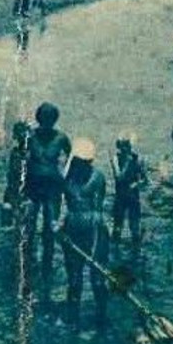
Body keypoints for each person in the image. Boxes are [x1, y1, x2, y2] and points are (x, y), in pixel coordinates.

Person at [60, 138, 110, 323]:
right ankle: (73, 319)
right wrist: (60, 227)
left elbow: (97, 214)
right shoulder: (68, 176)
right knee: (74, 280)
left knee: (97, 280)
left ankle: (101, 319)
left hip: (94, 230)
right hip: (72, 229)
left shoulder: (97, 177)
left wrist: (96, 247)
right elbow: (62, 204)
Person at [23, 102, 72, 280]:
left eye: (49, 120)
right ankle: (34, 264)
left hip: (49, 187)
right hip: (36, 185)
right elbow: (20, 156)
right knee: (32, 224)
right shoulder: (31, 136)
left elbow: (68, 156)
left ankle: (44, 265)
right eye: (45, 120)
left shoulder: (60, 138)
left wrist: (60, 170)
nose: (47, 123)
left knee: (48, 226)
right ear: (39, 119)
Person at [111, 132, 148, 246]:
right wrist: (127, 163)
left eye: (127, 146)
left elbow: (145, 180)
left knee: (134, 227)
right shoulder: (115, 159)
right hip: (120, 196)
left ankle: (136, 249)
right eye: (123, 146)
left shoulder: (138, 159)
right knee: (117, 226)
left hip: (133, 196)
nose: (126, 149)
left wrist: (137, 184)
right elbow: (118, 177)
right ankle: (114, 251)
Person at [2, 120, 30, 226]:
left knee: (11, 217)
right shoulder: (16, 153)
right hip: (16, 191)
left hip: (16, 191)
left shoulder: (17, 153)